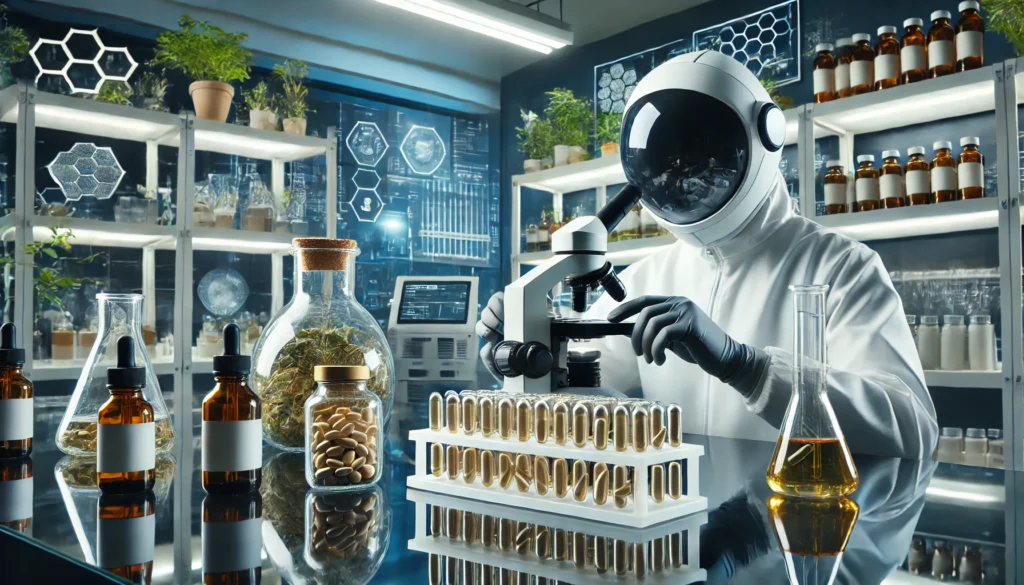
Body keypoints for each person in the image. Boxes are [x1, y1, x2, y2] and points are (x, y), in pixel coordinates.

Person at [478, 50, 938, 459]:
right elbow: (588, 396)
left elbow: (912, 428)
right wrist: (522, 354)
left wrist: (747, 366)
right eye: (668, 169)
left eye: (701, 162)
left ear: (765, 136)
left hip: (802, 529)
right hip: (674, 531)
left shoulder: (840, 266)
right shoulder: (644, 279)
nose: (682, 180)